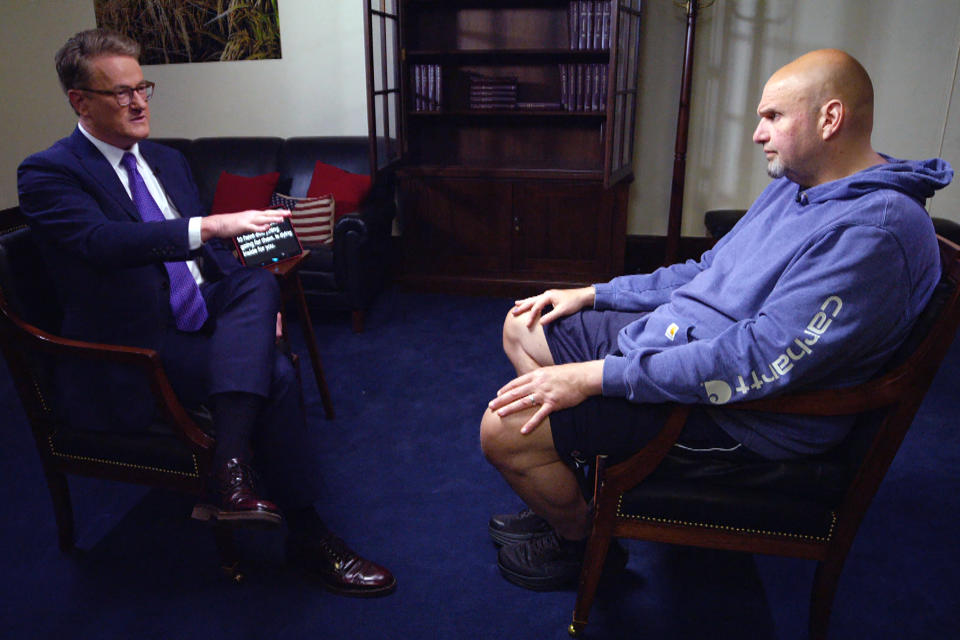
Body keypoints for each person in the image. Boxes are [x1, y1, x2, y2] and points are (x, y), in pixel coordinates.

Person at [480, 48, 954, 591]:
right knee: (525, 322)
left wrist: (594, 377)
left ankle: (584, 543)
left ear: (830, 118)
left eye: (773, 116)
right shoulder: (798, 185)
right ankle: (576, 492)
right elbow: (708, 270)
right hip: (689, 343)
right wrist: (594, 293)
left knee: (504, 431)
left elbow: (757, 359)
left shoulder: (874, 232)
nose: (758, 133)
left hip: (746, 412)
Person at [17, 28, 395, 597]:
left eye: (142, 85)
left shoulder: (166, 161)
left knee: (258, 287)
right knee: (278, 372)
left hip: (204, 313)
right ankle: (306, 533)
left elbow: (214, 257)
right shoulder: (48, 173)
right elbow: (102, 243)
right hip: (137, 344)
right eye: (119, 92)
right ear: (79, 101)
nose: (139, 101)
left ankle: (230, 470)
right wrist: (213, 225)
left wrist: (258, 279)